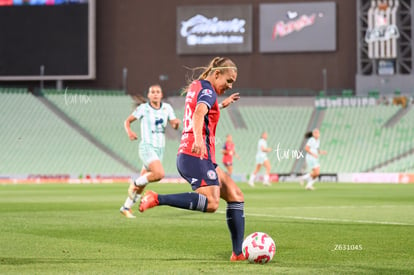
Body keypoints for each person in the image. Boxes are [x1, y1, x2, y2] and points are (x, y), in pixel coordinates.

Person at [138, 57, 246, 261]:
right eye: (229, 81)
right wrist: (198, 139)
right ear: (217, 74)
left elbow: (203, 112)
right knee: (212, 203)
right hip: (195, 154)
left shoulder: (200, 87)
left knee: (235, 195)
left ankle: (238, 254)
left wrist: (221, 105)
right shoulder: (208, 91)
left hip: (200, 156)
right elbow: (198, 114)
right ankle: (157, 198)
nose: (230, 86)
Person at [119, 84, 180, 218]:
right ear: (149, 95)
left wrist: (176, 124)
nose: (155, 94)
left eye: (158, 91)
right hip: (147, 146)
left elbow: (174, 125)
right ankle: (134, 183)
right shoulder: (143, 109)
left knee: (144, 182)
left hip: (159, 149)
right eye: (152, 92)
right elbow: (127, 121)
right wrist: (129, 132)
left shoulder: (167, 108)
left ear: (161, 95)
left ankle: (126, 207)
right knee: (159, 174)